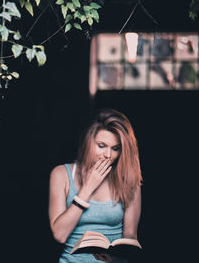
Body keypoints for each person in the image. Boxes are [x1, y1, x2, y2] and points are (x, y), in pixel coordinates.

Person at [49, 108, 142, 263]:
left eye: (115, 148)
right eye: (101, 145)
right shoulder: (61, 174)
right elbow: (60, 235)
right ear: (88, 142)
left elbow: (130, 237)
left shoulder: (129, 180)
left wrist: (113, 259)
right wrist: (88, 188)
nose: (108, 155)